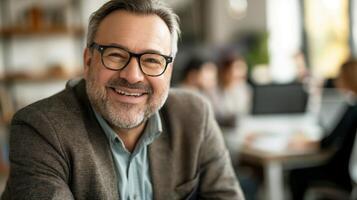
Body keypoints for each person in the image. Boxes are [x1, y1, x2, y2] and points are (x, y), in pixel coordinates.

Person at [1, 0, 244, 199]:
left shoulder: (195, 115)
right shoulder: (41, 128)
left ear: (169, 71)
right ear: (88, 62)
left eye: (151, 60)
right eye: (116, 55)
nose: (132, 75)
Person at [288, 59, 357, 200]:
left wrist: (305, 144)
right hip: (350, 173)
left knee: (295, 174)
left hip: (343, 172)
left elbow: (329, 142)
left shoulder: (353, 108)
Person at [212, 52, 252, 128]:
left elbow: (244, 114)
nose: (240, 74)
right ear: (225, 71)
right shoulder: (213, 91)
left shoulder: (245, 89)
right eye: (236, 69)